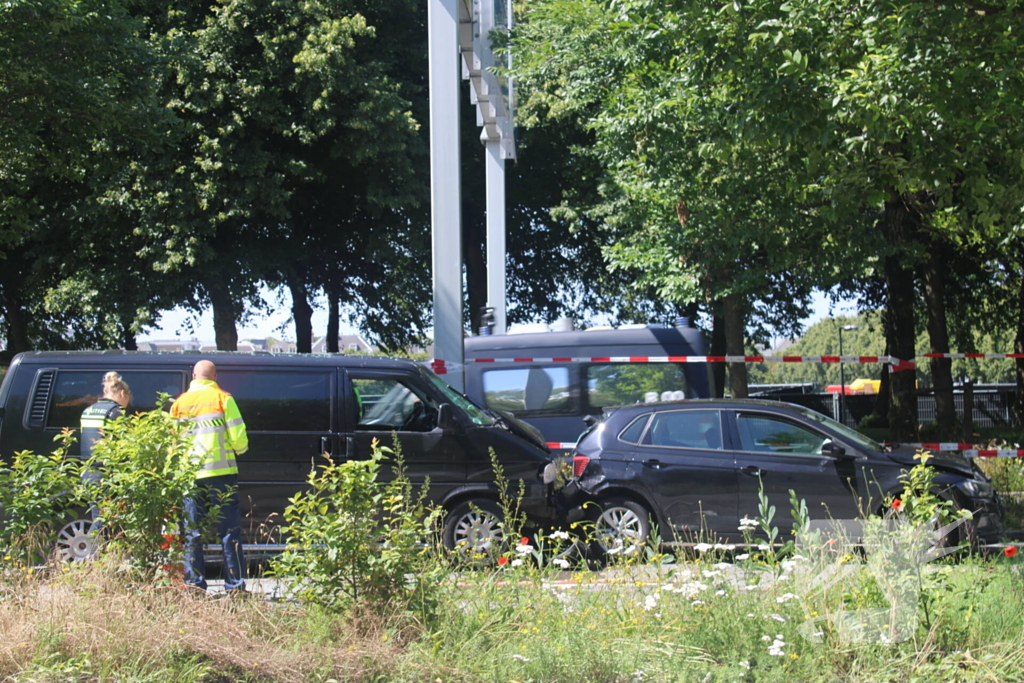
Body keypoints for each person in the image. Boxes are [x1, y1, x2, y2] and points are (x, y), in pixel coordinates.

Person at [171, 360, 248, 592]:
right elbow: (239, 438)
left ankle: (194, 586)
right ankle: (234, 587)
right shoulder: (223, 398)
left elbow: (171, 443)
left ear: (194, 376)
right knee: (229, 532)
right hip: (221, 473)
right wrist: (241, 449)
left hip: (190, 475)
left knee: (192, 532)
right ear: (214, 376)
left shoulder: (179, 403)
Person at [79, 371, 132, 527]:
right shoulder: (116, 412)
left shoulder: (88, 410)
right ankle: (96, 551)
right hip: (105, 472)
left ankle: (99, 550)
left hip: (87, 470)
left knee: (98, 516)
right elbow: (124, 444)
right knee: (104, 521)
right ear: (122, 393)